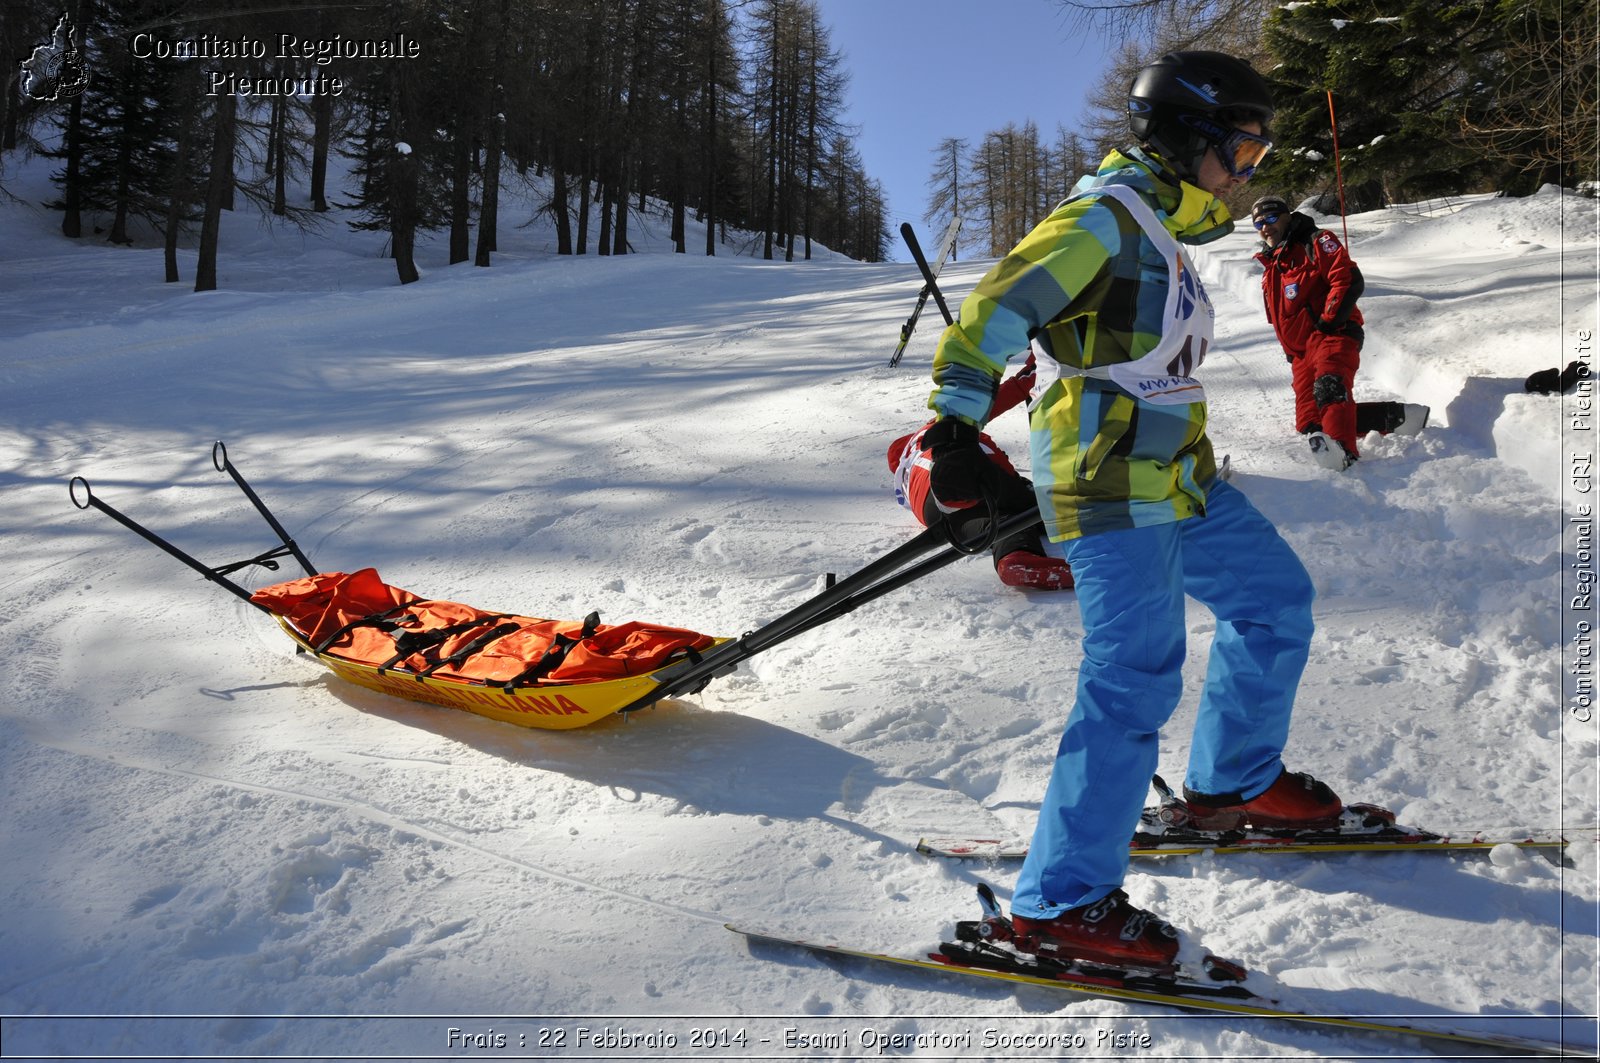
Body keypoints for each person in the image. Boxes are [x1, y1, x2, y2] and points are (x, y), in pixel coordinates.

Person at [921, 51, 1355, 971]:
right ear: (1190, 135)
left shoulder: (1161, 225)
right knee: (1135, 676)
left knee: (1275, 600)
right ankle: (1059, 902)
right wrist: (954, 429)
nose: (1249, 167)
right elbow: (992, 313)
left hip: (1176, 475)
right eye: (1241, 145)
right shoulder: (1102, 221)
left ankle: (1229, 783)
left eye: (1258, 148)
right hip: (1106, 479)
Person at [1250, 195, 1428, 470]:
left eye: (1271, 218)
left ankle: (1343, 450)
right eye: (1258, 223)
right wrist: (1290, 349)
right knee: (1309, 423)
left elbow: (1347, 279)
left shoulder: (1316, 241)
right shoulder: (1272, 265)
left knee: (1330, 387)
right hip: (1301, 351)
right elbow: (1278, 315)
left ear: (1287, 216)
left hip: (1334, 333)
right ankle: (1397, 417)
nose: (1265, 226)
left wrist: (1329, 321)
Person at [889, 354, 1073, 590]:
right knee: (1041, 504)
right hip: (962, 474)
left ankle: (1015, 557)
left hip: (931, 511)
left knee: (996, 524)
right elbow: (998, 400)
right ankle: (1099, 514)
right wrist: (1030, 376)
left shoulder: (907, 471)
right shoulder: (942, 429)